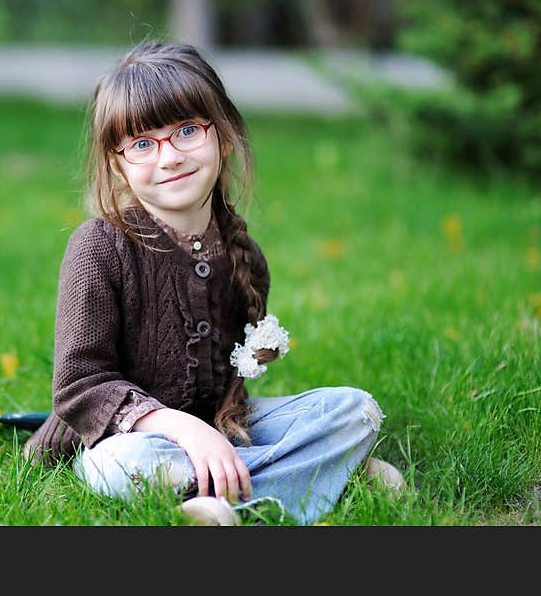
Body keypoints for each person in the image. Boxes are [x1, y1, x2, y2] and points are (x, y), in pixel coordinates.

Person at [24, 40, 404, 525]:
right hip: (132, 438)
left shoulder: (243, 254)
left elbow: (227, 378)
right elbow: (80, 384)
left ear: (222, 137)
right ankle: (315, 475)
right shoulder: (100, 247)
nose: (169, 158)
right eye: (142, 143)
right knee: (115, 467)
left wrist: (252, 359)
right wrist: (181, 427)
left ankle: (222, 496)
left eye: (186, 131)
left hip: (224, 427)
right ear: (117, 162)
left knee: (356, 410)